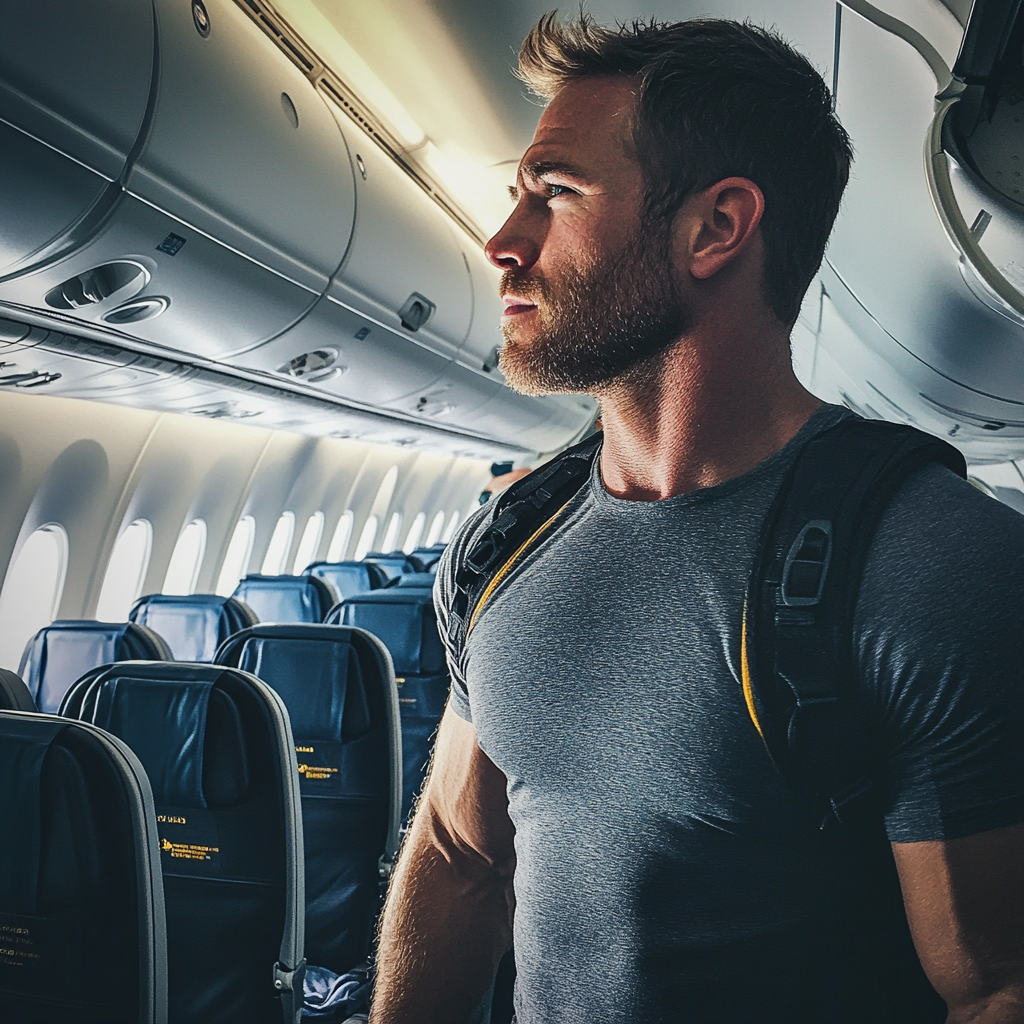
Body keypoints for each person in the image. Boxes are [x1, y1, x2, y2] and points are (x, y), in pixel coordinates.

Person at [369, 14, 1024, 1024]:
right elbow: (460, 857)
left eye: (554, 193)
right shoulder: (501, 544)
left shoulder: (933, 570)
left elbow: (991, 991)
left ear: (715, 228)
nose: (501, 243)